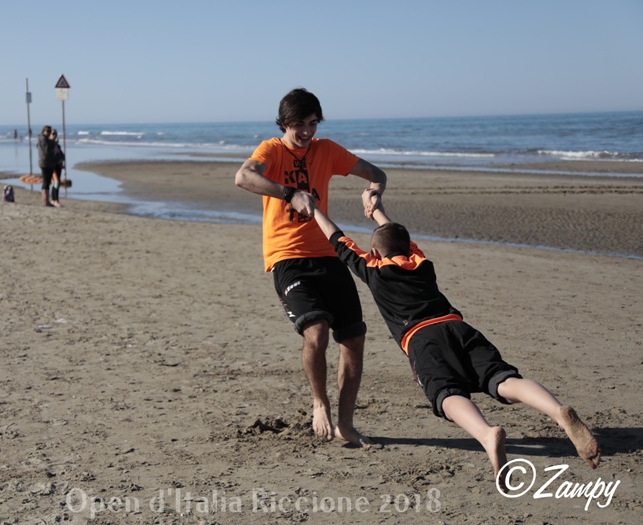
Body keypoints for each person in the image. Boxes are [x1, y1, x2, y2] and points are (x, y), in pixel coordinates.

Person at [310, 192, 601, 487]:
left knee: (445, 393)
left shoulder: (374, 270)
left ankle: (486, 435)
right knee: (502, 378)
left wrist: (314, 209)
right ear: (408, 247)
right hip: (458, 327)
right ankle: (557, 412)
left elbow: (338, 240)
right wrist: (378, 212)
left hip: (422, 338)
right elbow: (396, 238)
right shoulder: (421, 262)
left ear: (374, 252)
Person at [234, 88, 387, 447]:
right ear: (283, 124)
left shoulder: (327, 150)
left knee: (354, 337)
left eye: (313, 123)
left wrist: (374, 193)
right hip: (287, 257)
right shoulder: (272, 150)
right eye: (298, 125)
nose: (306, 132)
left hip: (329, 255)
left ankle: (345, 424)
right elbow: (243, 177)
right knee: (316, 332)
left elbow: (375, 173)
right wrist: (290, 193)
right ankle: (320, 403)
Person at [36, 125, 56, 206]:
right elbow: (47, 150)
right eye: (48, 131)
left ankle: (46, 200)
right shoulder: (43, 139)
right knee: (46, 182)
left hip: (47, 162)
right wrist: (52, 141)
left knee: (47, 181)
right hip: (45, 162)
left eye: (50, 131)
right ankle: (45, 201)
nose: (49, 133)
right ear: (43, 131)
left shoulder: (43, 139)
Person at [49, 129, 65, 207]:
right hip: (53, 166)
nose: (54, 135)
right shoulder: (49, 145)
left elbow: (62, 155)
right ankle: (55, 200)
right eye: (53, 134)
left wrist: (61, 161)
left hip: (59, 166)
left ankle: (55, 200)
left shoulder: (57, 146)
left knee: (56, 183)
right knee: (56, 182)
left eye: (55, 134)